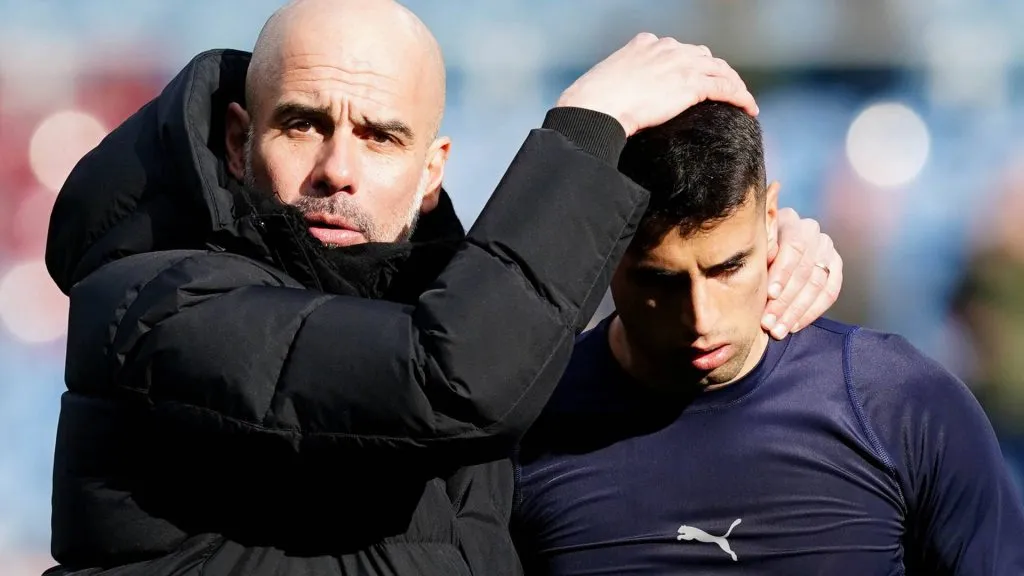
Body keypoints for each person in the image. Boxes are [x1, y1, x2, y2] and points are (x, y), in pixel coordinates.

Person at [44, 0, 842, 574]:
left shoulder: (440, 308)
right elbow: (448, 381)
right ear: (235, 140)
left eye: (380, 136)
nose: (338, 169)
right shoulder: (155, 305)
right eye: (303, 123)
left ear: (432, 173)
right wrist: (586, 131)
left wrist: (763, 266)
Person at [511, 101, 1024, 575]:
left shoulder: (900, 406)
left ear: (772, 218)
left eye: (728, 267)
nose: (701, 317)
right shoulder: (526, 425)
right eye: (660, 280)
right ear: (605, 249)